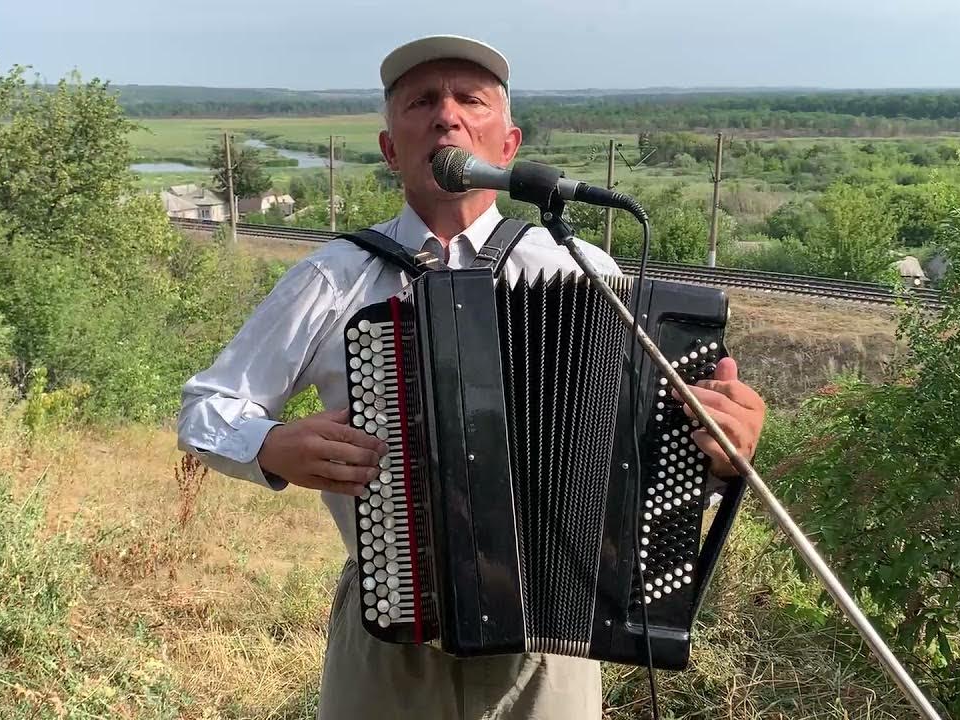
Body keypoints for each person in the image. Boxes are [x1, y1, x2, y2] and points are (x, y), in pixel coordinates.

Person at [177, 34, 767, 720]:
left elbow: (641, 475)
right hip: (388, 638)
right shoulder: (333, 276)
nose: (446, 116)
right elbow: (205, 407)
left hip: (553, 645)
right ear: (390, 146)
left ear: (508, 144)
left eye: (469, 100)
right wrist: (272, 444)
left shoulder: (587, 277)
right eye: (422, 100)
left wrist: (719, 458)